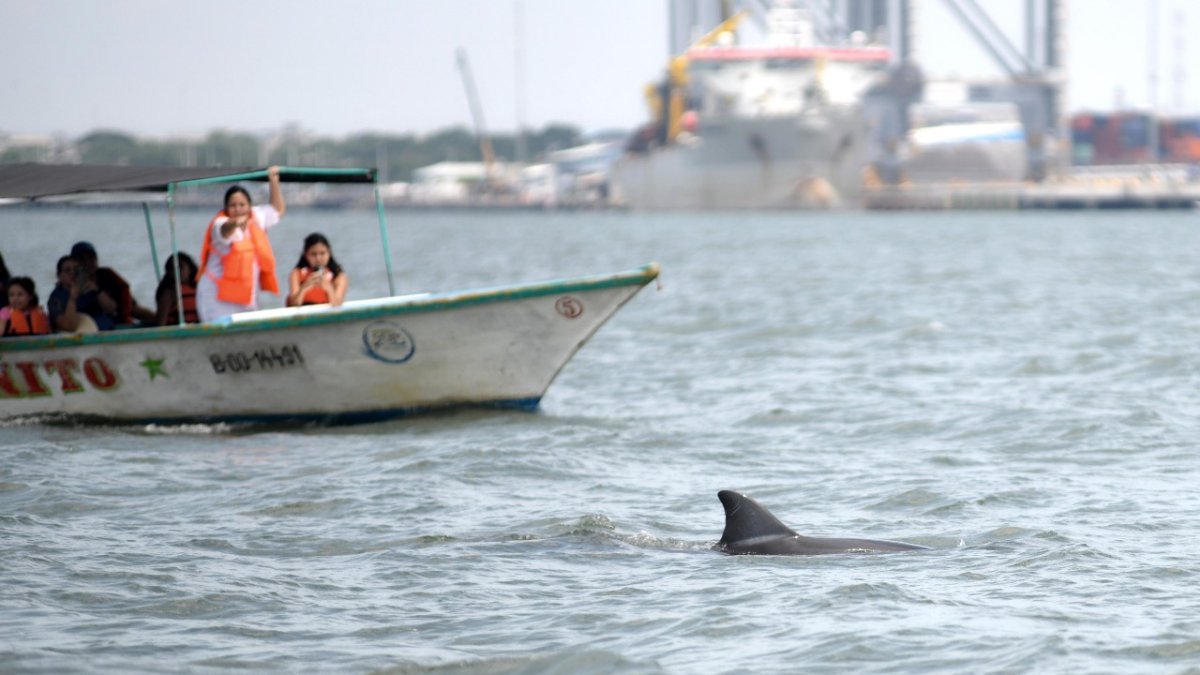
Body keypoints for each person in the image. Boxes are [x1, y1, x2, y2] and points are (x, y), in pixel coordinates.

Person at [196, 165, 286, 322]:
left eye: (242, 205)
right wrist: (236, 223)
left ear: (249, 206)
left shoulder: (256, 218)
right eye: (233, 205)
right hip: (216, 298)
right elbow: (225, 230)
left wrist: (274, 181)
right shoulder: (219, 223)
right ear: (226, 208)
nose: (238, 209)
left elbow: (277, 210)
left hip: (245, 297)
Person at [70, 240, 156, 326]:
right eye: (82, 259)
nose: (87, 263)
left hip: (116, 326)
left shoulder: (108, 277)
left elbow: (131, 308)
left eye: (91, 258)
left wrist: (160, 319)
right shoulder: (68, 284)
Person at [46, 255, 111, 332]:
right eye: (67, 270)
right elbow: (69, 326)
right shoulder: (55, 298)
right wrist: (72, 299)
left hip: (104, 330)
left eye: (76, 270)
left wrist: (98, 291)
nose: (72, 273)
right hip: (79, 337)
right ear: (59, 276)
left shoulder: (89, 288)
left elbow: (111, 309)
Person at [287, 233, 349, 307]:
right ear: (306, 255)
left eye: (322, 253)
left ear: (329, 253)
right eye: (313, 254)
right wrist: (304, 287)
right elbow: (294, 304)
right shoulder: (297, 273)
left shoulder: (338, 275)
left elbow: (337, 305)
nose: (318, 259)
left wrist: (328, 288)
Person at [155, 252, 200, 326]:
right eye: (172, 269)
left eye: (180, 267)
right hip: (177, 333)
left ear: (190, 269)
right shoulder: (169, 292)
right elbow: (161, 323)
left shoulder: (199, 289)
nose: (176, 271)